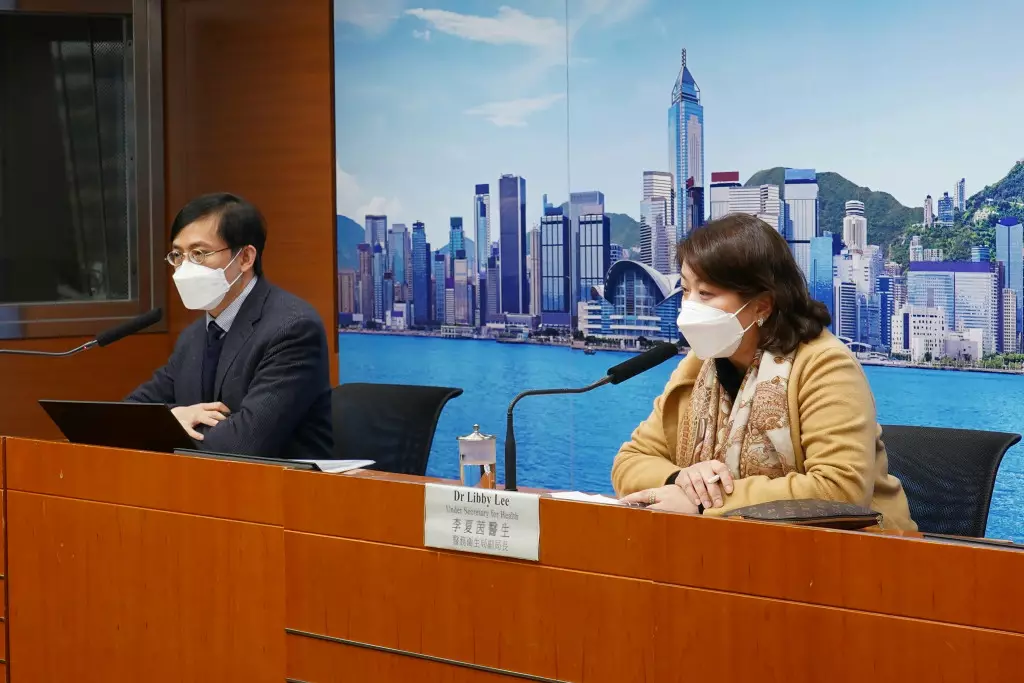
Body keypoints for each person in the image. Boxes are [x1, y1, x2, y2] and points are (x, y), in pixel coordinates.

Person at [613, 213, 916, 531]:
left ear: (762, 305)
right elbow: (630, 461)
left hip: (859, 550)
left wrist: (705, 502)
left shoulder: (824, 365)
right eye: (686, 290)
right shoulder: (699, 364)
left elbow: (839, 491)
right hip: (734, 546)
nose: (688, 306)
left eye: (705, 294)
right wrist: (680, 479)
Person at [127, 192, 333, 460]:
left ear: (245, 258)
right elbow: (129, 414)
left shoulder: (292, 329)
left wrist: (165, 426)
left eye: (199, 254)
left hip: (280, 483)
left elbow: (242, 444)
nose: (184, 268)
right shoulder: (194, 336)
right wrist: (175, 416)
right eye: (178, 255)